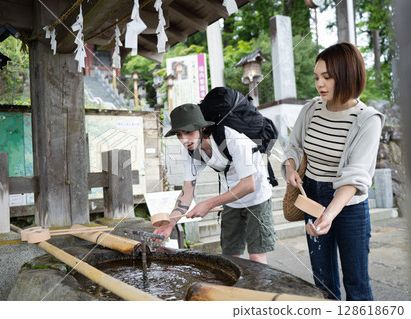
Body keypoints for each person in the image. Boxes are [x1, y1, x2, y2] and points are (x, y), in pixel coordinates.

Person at [282, 42, 384, 300]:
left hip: (349, 204)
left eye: (327, 77)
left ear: (348, 75)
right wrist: (291, 168)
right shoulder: (311, 109)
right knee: (322, 282)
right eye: (317, 77)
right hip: (312, 194)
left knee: (357, 284)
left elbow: (356, 176)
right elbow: (293, 146)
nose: (320, 84)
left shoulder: (367, 119)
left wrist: (329, 215)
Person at [154, 103, 275, 264]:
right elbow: (187, 192)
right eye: (179, 134)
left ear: (202, 128)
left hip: (257, 197)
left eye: (188, 132)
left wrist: (209, 204)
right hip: (231, 199)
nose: (184, 140)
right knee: (230, 256)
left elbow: (248, 185)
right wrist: (170, 223)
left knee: (256, 256)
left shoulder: (233, 138)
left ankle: (260, 288)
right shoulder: (191, 151)